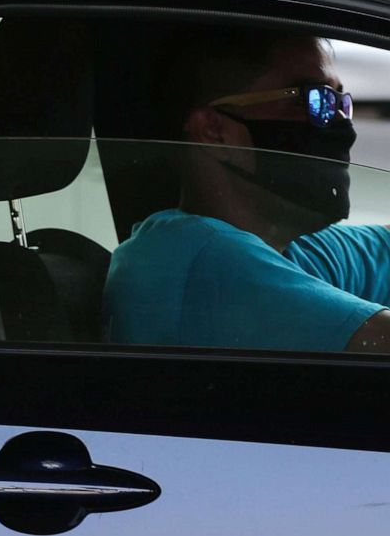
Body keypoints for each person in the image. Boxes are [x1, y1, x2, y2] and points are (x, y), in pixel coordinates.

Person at [103, 27, 390, 353]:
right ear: (214, 130)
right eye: (312, 99)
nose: (340, 125)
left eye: (340, 102)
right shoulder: (201, 259)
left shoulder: (284, 249)